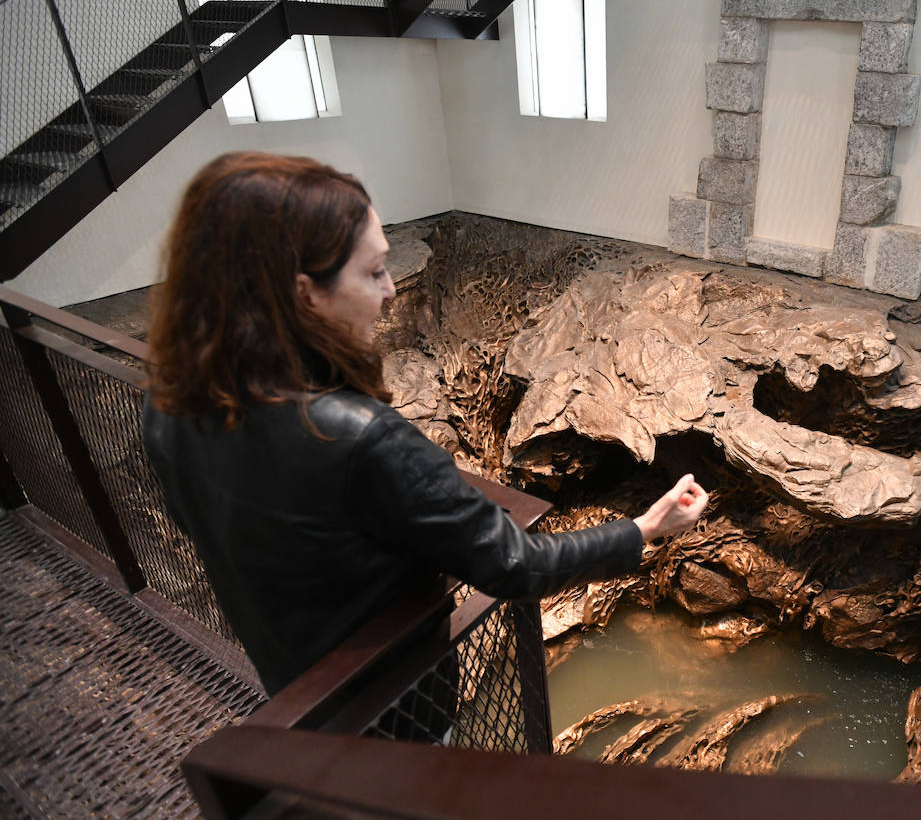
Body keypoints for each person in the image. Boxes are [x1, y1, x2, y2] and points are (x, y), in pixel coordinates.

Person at [141, 151, 708, 695]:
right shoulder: (362, 438)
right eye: (375, 271)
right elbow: (514, 563)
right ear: (304, 294)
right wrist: (645, 529)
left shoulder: (172, 401)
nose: (391, 291)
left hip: (292, 684)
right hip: (390, 702)